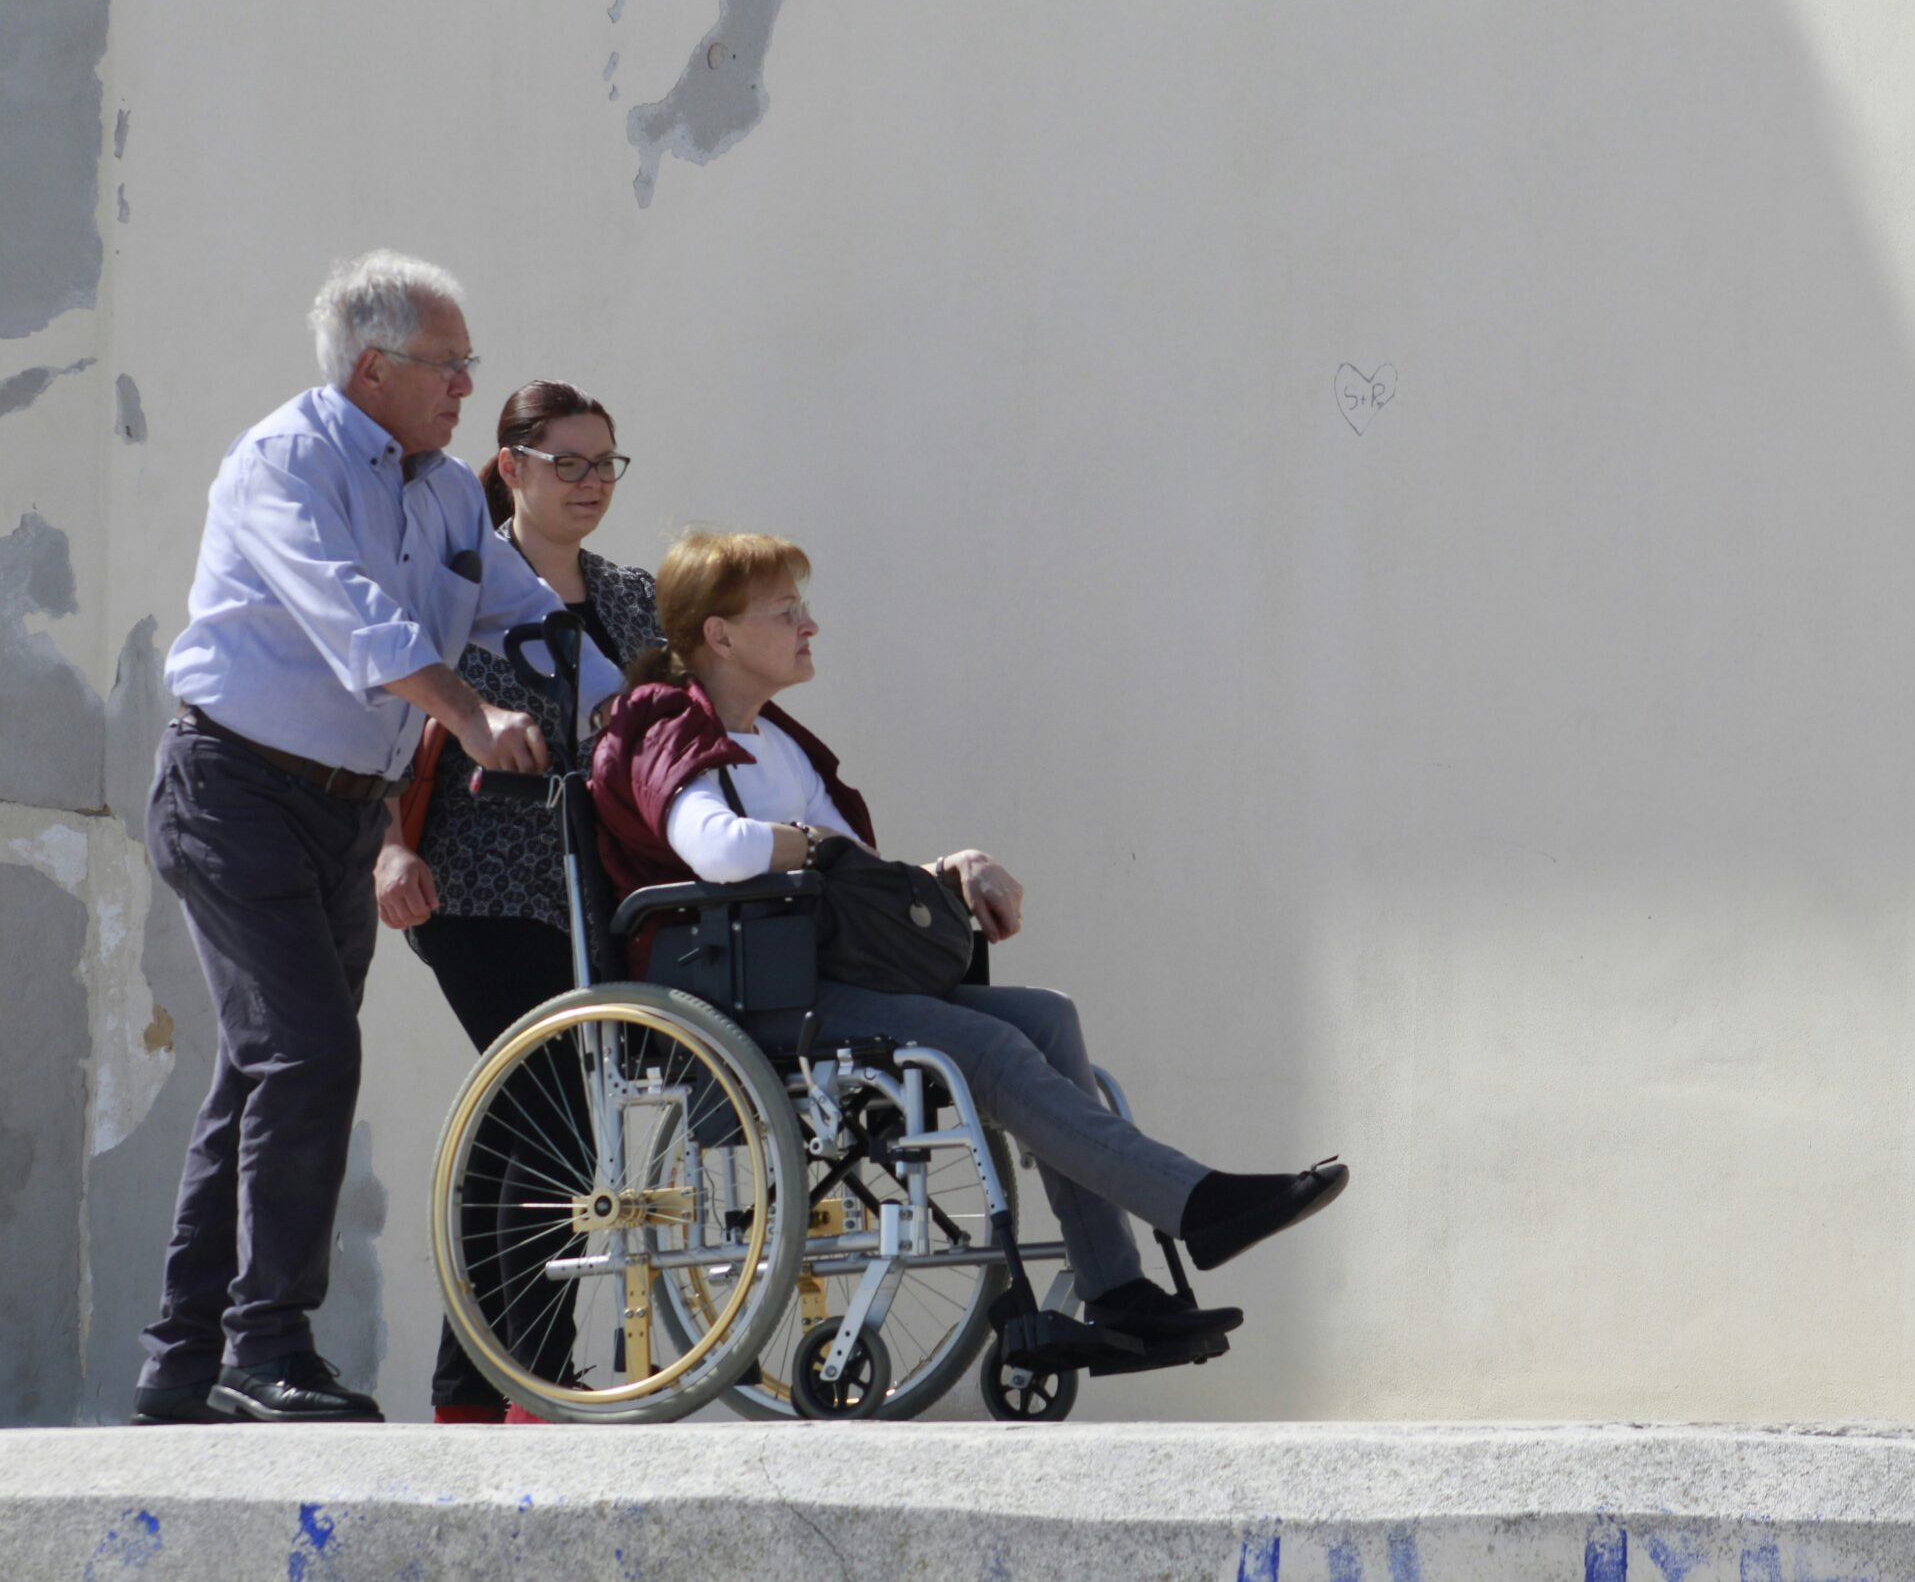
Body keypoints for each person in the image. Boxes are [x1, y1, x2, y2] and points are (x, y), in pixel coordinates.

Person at [589, 530, 1349, 1362]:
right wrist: (811, 845)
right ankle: (1195, 1202)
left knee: (1047, 1017)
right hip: (746, 996)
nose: (812, 626)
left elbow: (856, 875)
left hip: (821, 974)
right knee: (985, 1044)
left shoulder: (778, 741)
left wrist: (950, 868)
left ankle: (1119, 1292)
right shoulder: (662, 720)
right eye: (787, 611)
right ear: (721, 636)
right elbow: (720, 850)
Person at [133, 251, 563, 1425]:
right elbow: (354, 620)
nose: (468, 387)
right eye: (450, 365)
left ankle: (181, 1361)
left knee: (264, 1071)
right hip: (235, 791)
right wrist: (471, 720)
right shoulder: (287, 460)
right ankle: (264, 1348)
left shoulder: (445, 491)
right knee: (306, 1057)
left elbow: (519, 610)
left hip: (340, 811)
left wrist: (670, 675)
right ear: (374, 368)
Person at [372, 381, 662, 1423]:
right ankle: (521, 1384)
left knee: (537, 1125)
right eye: (568, 463)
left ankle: (485, 1388)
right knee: (555, 1117)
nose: (591, 484)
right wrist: (389, 850)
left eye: (606, 464)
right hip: (479, 883)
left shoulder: (633, 599)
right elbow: (390, 730)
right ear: (512, 466)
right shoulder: (460, 585)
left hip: (594, 891)